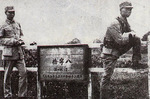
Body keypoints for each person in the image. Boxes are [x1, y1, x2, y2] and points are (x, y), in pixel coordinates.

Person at [100, 1, 141, 99]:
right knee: (106, 77)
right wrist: (131, 35)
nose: (129, 11)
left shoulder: (124, 22)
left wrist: (132, 35)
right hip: (109, 54)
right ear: (120, 10)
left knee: (137, 40)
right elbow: (120, 41)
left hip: (116, 51)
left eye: (130, 9)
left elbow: (130, 33)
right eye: (126, 9)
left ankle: (135, 61)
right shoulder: (114, 23)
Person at [0, 6, 27, 98]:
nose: (12, 14)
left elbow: (21, 36)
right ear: (6, 13)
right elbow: (1, 40)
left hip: (19, 54)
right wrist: (13, 41)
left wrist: (23, 41)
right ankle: (7, 96)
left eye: (13, 12)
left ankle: (21, 95)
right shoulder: (2, 25)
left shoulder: (18, 24)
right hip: (9, 54)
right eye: (10, 12)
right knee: (7, 76)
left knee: (23, 74)